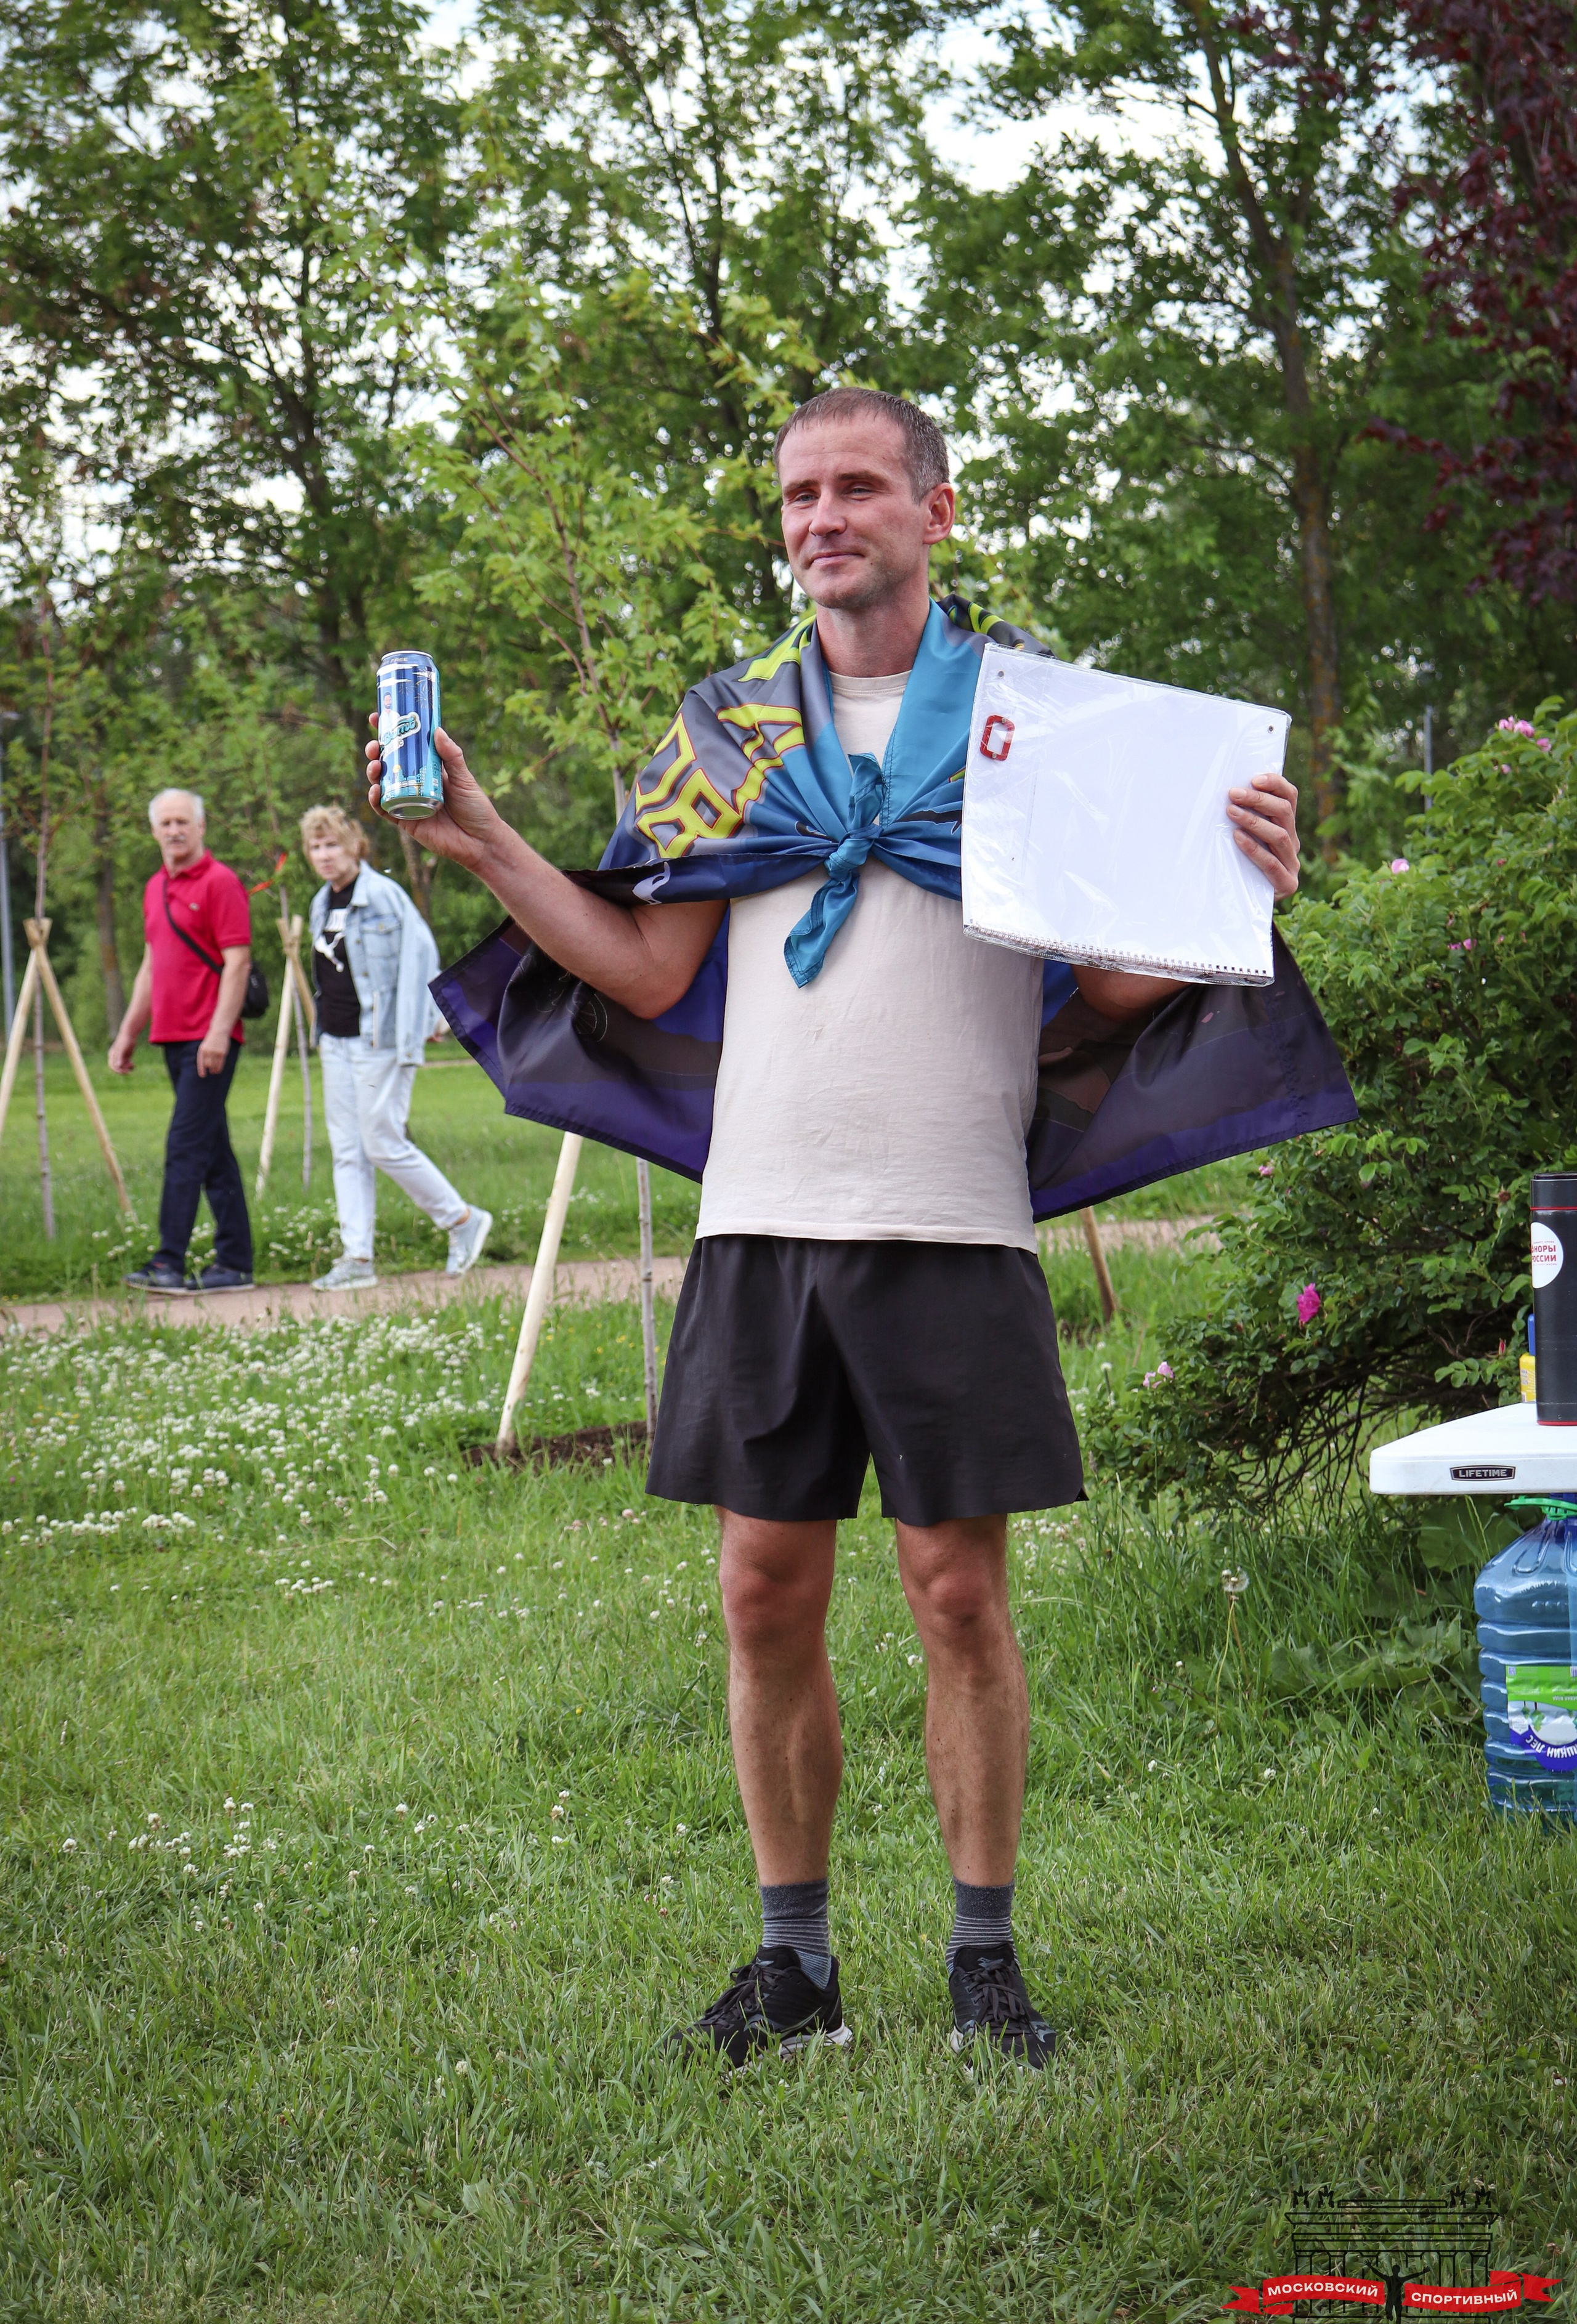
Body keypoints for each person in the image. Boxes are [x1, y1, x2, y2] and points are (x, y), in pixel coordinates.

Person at [364, 390, 1303, 2067]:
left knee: (958, 1594)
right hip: (763, 1219)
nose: (822, 517)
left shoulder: (1033, 733)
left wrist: (1237, 892)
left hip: (952, 1220)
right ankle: (794, 1969)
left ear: (934, 512)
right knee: (760, 1592)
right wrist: (481, 835)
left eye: (859, 486)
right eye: (799, 494)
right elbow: (653, 969)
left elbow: (1101, 983)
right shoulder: (731, 733)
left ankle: (983, 1964)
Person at [301, 804, 492, 1291]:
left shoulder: (384, 897)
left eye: (333, 845)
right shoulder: (322, 903)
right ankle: (357, 1257)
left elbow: (421, 955)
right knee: (348, 1150)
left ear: (354, 847)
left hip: (378, 1039)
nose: (325, 855)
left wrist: (431, 1018)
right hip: (337, 1040)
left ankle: (462, 1220)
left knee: (381, 1141)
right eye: (316, 847)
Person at [110, 788, 255, 1294]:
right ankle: (235, 1264)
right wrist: (128, 1032)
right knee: (213, 1150)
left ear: (200, 827)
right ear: (155, 831)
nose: (174, 830)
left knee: (185, 1147)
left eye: (182, 822)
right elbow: (151, 966)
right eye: (165, 823)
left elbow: (238, 962)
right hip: (171, 1037)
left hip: (209, 1038)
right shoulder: (154, 888)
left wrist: (219, 1032)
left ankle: (168, 1262)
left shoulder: (221, 883)